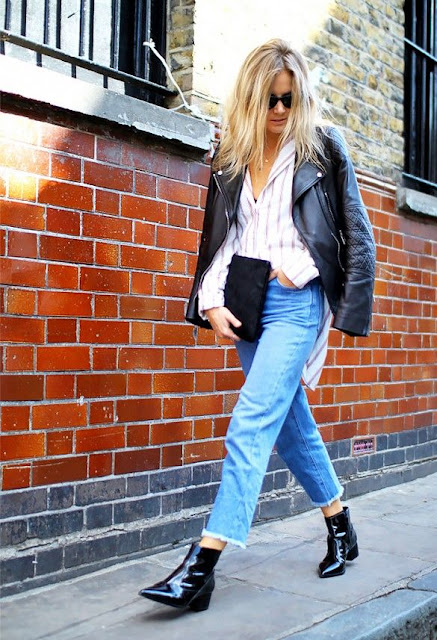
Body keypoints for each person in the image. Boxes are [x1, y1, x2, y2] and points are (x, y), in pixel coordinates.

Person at [139, 38, 376, 612]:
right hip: (246, 300)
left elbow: (355, 233)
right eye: (270, 99)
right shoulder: (233, 153)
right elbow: (223, 238)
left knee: (251, 421)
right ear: (250, 97)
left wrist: (304, 271)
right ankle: (340, 525)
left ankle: (203, 564)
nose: (279, 110)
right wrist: (210, 301)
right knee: (291, 425)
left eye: (289, 99)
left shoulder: (323, 146)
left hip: (297, 305)